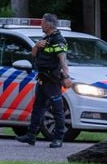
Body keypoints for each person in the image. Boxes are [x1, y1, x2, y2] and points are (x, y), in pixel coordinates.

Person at [16, 13, 73, 148]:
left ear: (48, 24)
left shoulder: (58, 40)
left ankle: (58, 138)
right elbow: (34, 54)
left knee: (57, 110)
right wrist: (36, 46)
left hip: (52, 80)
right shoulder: (46, 38)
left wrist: (67, 77)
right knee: (38, 108)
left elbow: (63, 61)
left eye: (42, 22)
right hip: (42, 79)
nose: (40, 24)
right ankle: (31, 136)